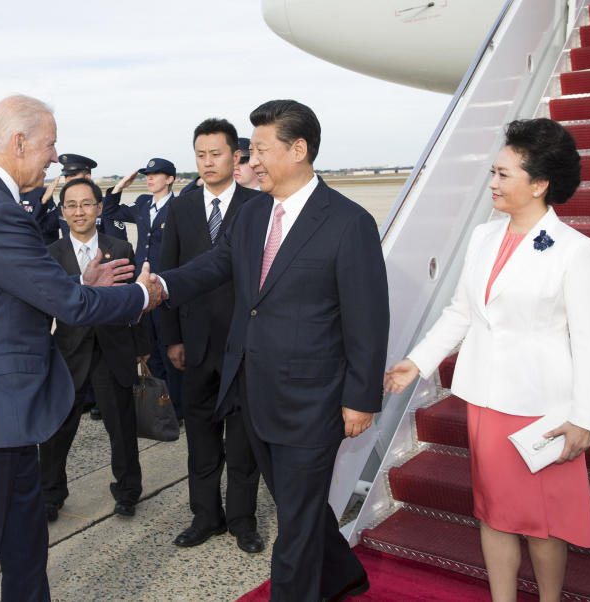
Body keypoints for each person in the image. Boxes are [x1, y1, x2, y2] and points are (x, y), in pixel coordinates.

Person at [0, 94, 165, 602]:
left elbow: (23, 292)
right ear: (19, 142)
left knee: (25, 542)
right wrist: (140, 294)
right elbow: (66, 303)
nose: (55, 157)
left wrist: (87, 284)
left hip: (5, 407)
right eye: (50, 144)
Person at [159, 100, 389, 601]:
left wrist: (362, 397)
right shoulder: (252, 213)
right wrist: (158, 287)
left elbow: (368, 319)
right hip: (253, 391)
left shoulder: (348, 223)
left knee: (296, 524)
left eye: (261, 149)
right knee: (296, 503)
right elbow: (214, 266)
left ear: (299, 149)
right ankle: (344, 573)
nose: (252, 159)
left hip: (314, 400)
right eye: (250, 149)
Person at [384, 118, 590, 602]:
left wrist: (585, 418)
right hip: (485, 398)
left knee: (543, 523)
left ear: (540, 183)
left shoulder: (574, 250)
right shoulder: (484, 236)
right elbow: (461, 311)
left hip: (542, 408)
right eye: (493, 172)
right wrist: (418, 362)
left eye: (504, 175)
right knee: (493, 511)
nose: (493, 183)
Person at [159, 118, 263, 553]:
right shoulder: (180, 209)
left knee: (242, 442)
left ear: (236, 155)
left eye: (216, 154)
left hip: (243, 345)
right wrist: (171, 340)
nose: (207, 162)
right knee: (201, 439)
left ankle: (242, 520)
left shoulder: (257, 206)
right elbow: (165, 275)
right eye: (200, 155)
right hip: (196, 346)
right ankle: (205, 516)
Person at [41, 178, 150, 522]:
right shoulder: (50, 256)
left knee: (121, 426)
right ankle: (50, 494)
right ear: (62, 212)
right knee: (57, 430)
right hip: (68, 353)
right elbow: (43, 307)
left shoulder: (120, 248)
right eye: (71, 205)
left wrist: (142, 349)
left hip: (113, 349)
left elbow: (137, 300)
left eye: (87, 204)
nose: (79, 211)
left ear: (100, 208)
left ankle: (128, 490)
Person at [103, 157, 183, 420]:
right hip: (142, 287)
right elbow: (110, 212)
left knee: (169, 345)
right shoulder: (142, 204)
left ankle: (178, 408)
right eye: (147, 175)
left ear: (169, 179)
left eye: (156, 175)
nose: (149, 179)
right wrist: (119, 187)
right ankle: (161, 405)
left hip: (165, 285)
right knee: (150, 349)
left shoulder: (179, 207)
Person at [55, 153, 127, 241]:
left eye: (73, 175)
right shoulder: (62, 205)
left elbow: (118, 245)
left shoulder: (106, 206)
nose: (68, 180)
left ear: (88, 178)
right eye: (66, 176)